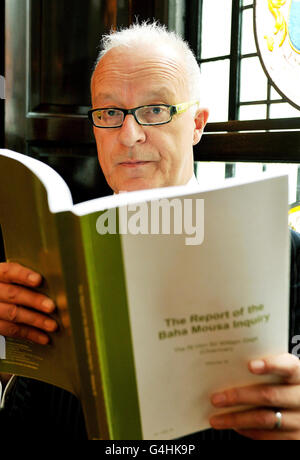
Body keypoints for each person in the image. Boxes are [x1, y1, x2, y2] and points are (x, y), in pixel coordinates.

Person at [0, 22, 300, 441]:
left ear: (196, 124)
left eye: (156, 110)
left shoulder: (282, 249)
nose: (129, 135)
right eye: (109, 113)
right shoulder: (60, 247)